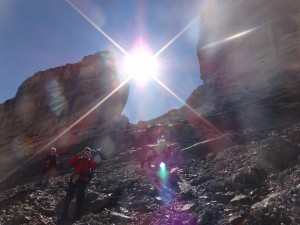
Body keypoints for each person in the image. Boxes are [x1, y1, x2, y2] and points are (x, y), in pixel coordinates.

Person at [61, 147, 97, 221]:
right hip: (75, 178)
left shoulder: (90, 160)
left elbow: (94, 166)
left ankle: (77, 215)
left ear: (90, 153)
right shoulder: (80, 158)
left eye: (88, 152)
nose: (86, 153)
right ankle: (64, 213)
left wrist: (90, 157)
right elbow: (71, 162)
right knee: (69, 195)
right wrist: (78, 155)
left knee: (80, 196)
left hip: (83, 179)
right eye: (85, 151)